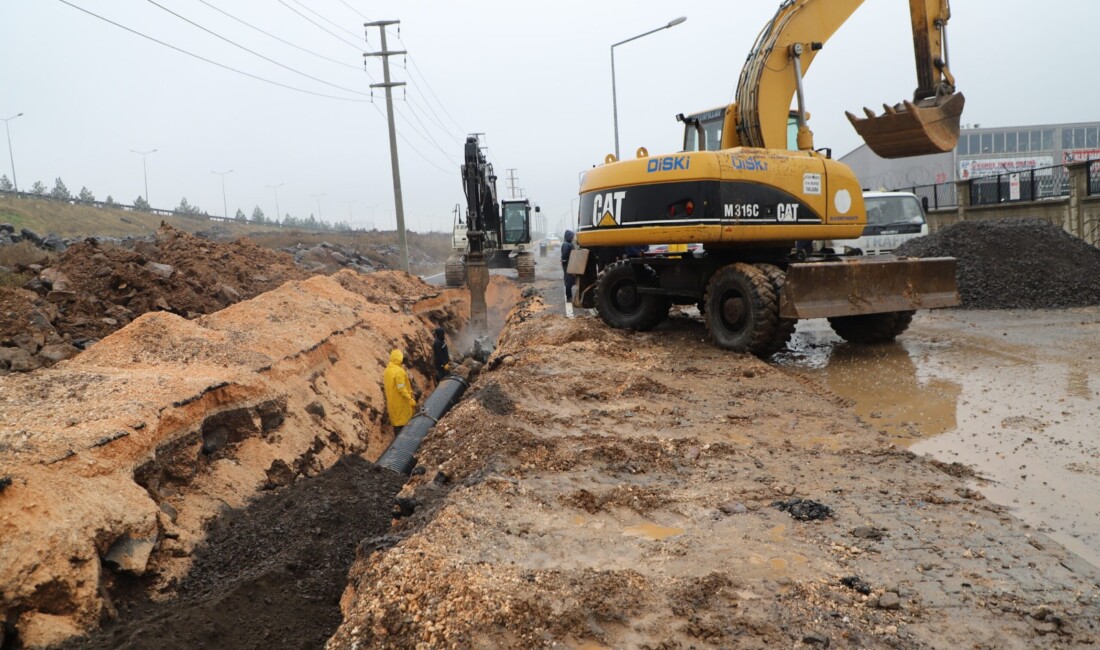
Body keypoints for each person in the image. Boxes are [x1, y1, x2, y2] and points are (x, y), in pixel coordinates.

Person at [383, 349, 417, 435]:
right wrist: (410, 399)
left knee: (396, 424)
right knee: (403, 424)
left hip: (392, 402)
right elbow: (401, 388)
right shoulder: (399, 371)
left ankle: (397, 444)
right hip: (400, 402)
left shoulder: (388, 370)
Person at [561, 229, 576, 318]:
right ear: (568, 236)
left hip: (569, 265)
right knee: (568, 281)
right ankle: (569, 297)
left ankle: (569, 296)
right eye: (572, 236)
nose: (573, 237)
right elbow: (565, 256)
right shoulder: (567, 244)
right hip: (568, 265)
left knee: (569, 280)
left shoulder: (568, 244)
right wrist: (564, 263)